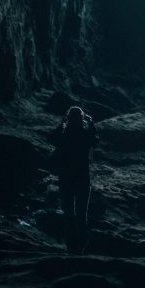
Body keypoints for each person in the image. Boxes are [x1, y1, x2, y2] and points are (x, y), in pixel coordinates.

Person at [52, 106, 98, 253]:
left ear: (68, 118)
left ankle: (70, 247)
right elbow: (95, 139)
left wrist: (61, 123)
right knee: (81, 215)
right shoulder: (84, 136)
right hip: (82, 179)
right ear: (81, 119)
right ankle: (81, 248)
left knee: (69, 215)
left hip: (65, 179)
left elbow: (50, 138)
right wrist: (91, 124)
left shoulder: (64, 136)